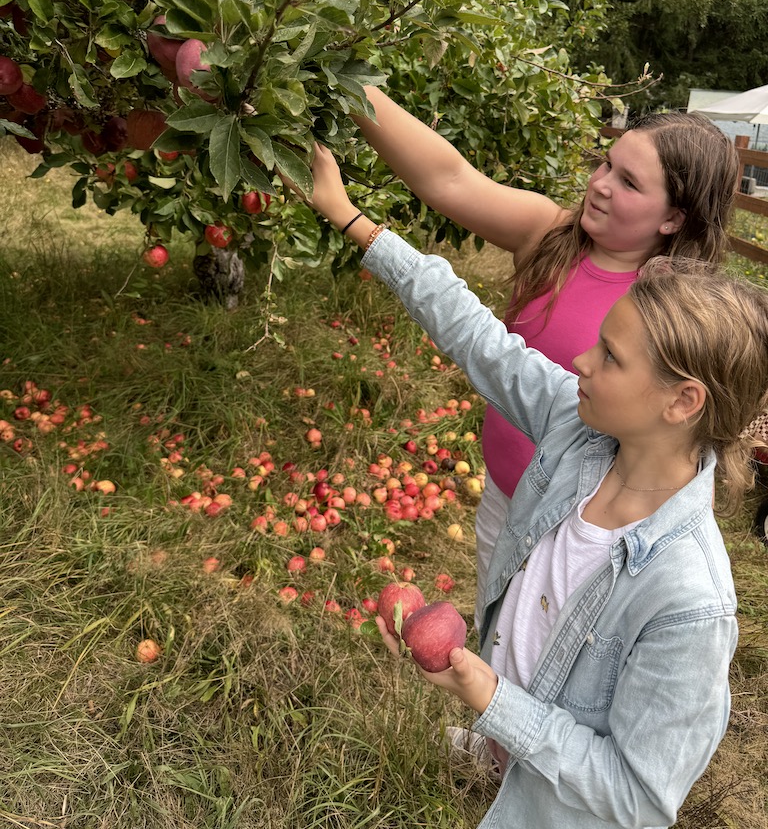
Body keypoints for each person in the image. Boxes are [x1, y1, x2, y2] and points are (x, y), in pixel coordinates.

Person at [297, 142, 768, 829]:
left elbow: (636, 798)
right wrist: (351, 220)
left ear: (682, 402)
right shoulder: (578, 433)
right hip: (511, 747)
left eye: (610, 355)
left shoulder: (688, 604)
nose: (580, 358)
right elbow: (476, 336)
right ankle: (492, 759)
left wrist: (491, 699)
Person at [352, 88, 739, 626]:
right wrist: (353, 89)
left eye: (628, 182)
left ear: (673, 218)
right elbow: (449, 179)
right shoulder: (552, 236)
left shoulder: (675, 316)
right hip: (504, 497)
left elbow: (682, 439)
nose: (599, 184)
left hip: (582, 533)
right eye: (608, 163)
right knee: (496, 631)